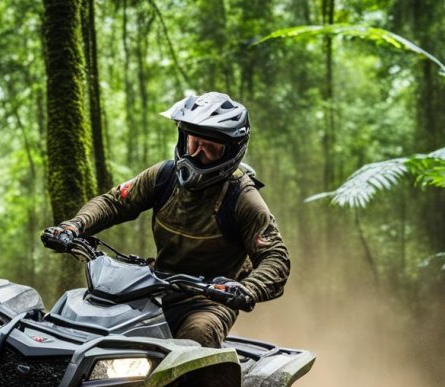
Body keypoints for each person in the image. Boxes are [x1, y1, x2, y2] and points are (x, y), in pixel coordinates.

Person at [42, 91, 290, 348]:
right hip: (152, 287)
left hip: (208, 302)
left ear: (231, 153)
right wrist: (74, 226)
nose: (197, 154)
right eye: (194, 142)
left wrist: (246, 289)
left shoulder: (242, 197)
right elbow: (114, 203)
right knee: (86, 322)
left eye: (211, 149)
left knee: (198, 339)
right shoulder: (164, 176)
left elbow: (276, 258)